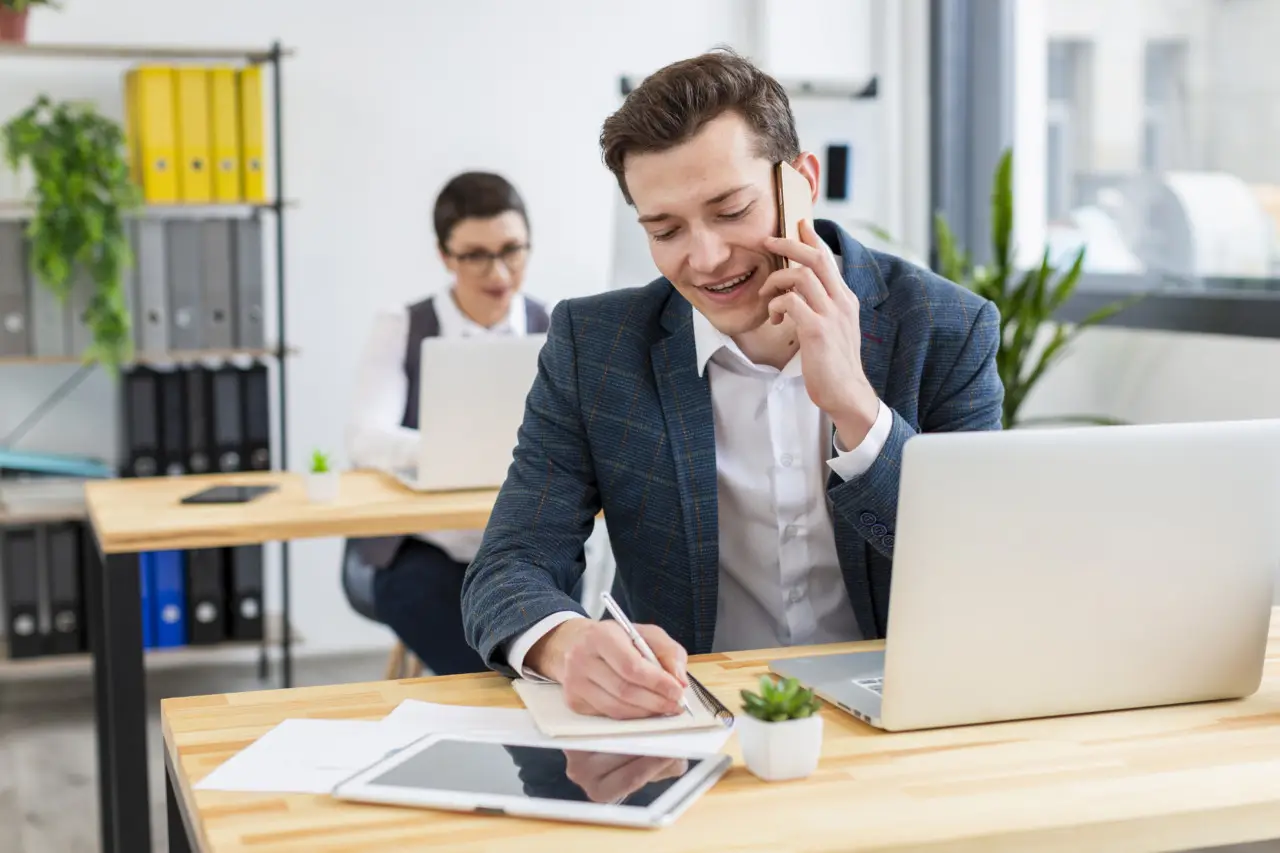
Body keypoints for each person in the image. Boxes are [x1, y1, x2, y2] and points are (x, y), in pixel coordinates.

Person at [461, 49, 1004, 715]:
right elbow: (509, 565)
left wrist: (858, 410)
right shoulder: (595, 348)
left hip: (898, 715)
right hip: (687, 721)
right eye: (665, 229)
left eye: (731, 210)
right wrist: (568, 643)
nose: (706, 258)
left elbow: (981, 571)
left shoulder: (945, 328)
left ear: (802, 181)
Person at [345, 171, 551, 675]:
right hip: (422, 552)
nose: (499, 271)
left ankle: (530, 737)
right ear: (444, 256)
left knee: (548, 639)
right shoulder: (403, 324)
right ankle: (531, 742)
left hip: (524, 550)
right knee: (507, 673)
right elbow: (365, 440)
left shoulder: (554, 326)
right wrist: (450, 453)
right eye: (476, 255)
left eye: (512, 250)